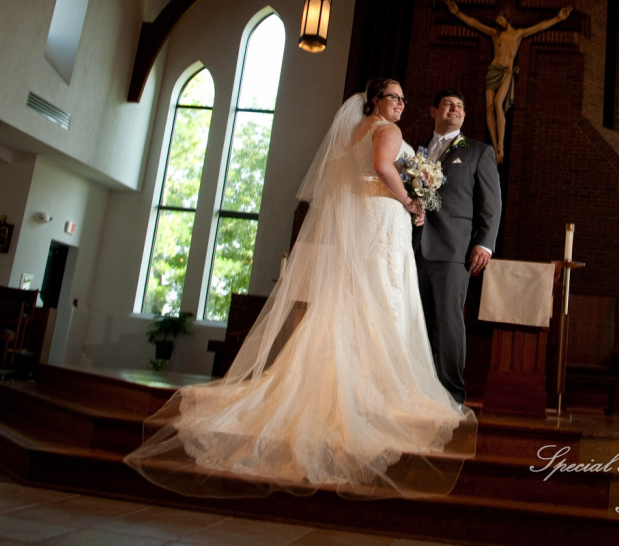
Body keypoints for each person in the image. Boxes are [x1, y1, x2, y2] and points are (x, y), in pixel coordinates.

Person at [125, 79, 476, 500]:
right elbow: (384, 169)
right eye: (393, 97)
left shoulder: (356, 130)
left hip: (366, 218)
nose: (401, 104)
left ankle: (353, 375)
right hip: (382, 216)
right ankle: (374, 386)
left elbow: (351, 172)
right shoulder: (388, 131)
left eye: (403, 98)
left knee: (358, 299)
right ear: (375, 101)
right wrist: (410, 202)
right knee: (383, 298)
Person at [414, 88, 502, 406]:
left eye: (460, 106)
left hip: (453, 250)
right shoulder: (417, 152)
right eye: (448, 104)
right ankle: (420, 388)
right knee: (418, 319)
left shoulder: (478, 151)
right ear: (433, 110)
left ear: (463, 116)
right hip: (413, 248)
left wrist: (485, 243)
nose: (455, 109)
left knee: (449, 321)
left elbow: (491, 203)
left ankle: (452, 395)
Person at [446, 0, 573, 164]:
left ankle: (501, 145)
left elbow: (539, 27)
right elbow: (475, 23)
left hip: (507, 72)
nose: (498, 23)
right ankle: (493, 142)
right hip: (493, 70)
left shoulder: (518, 33)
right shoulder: (495, 33)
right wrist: (457, 13)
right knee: (489, 107)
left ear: (507, 19)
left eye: (500, 19)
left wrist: (558, 18)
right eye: (496, 21)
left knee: (499, 104)